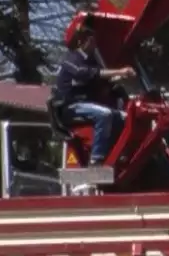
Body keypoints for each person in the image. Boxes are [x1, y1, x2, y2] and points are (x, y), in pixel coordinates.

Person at [51, 27, 135, 166]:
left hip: (86, 106)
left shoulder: (91, 61)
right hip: (70, 107)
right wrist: (118, 71)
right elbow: (83, 73)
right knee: (105, 114)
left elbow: (98, 78)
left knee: (123, 117)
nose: (94, 44)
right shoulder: (71, 59)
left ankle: (115, 153)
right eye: (90, 41)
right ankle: (96, 159)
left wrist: (119, 77)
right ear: (80, 42)